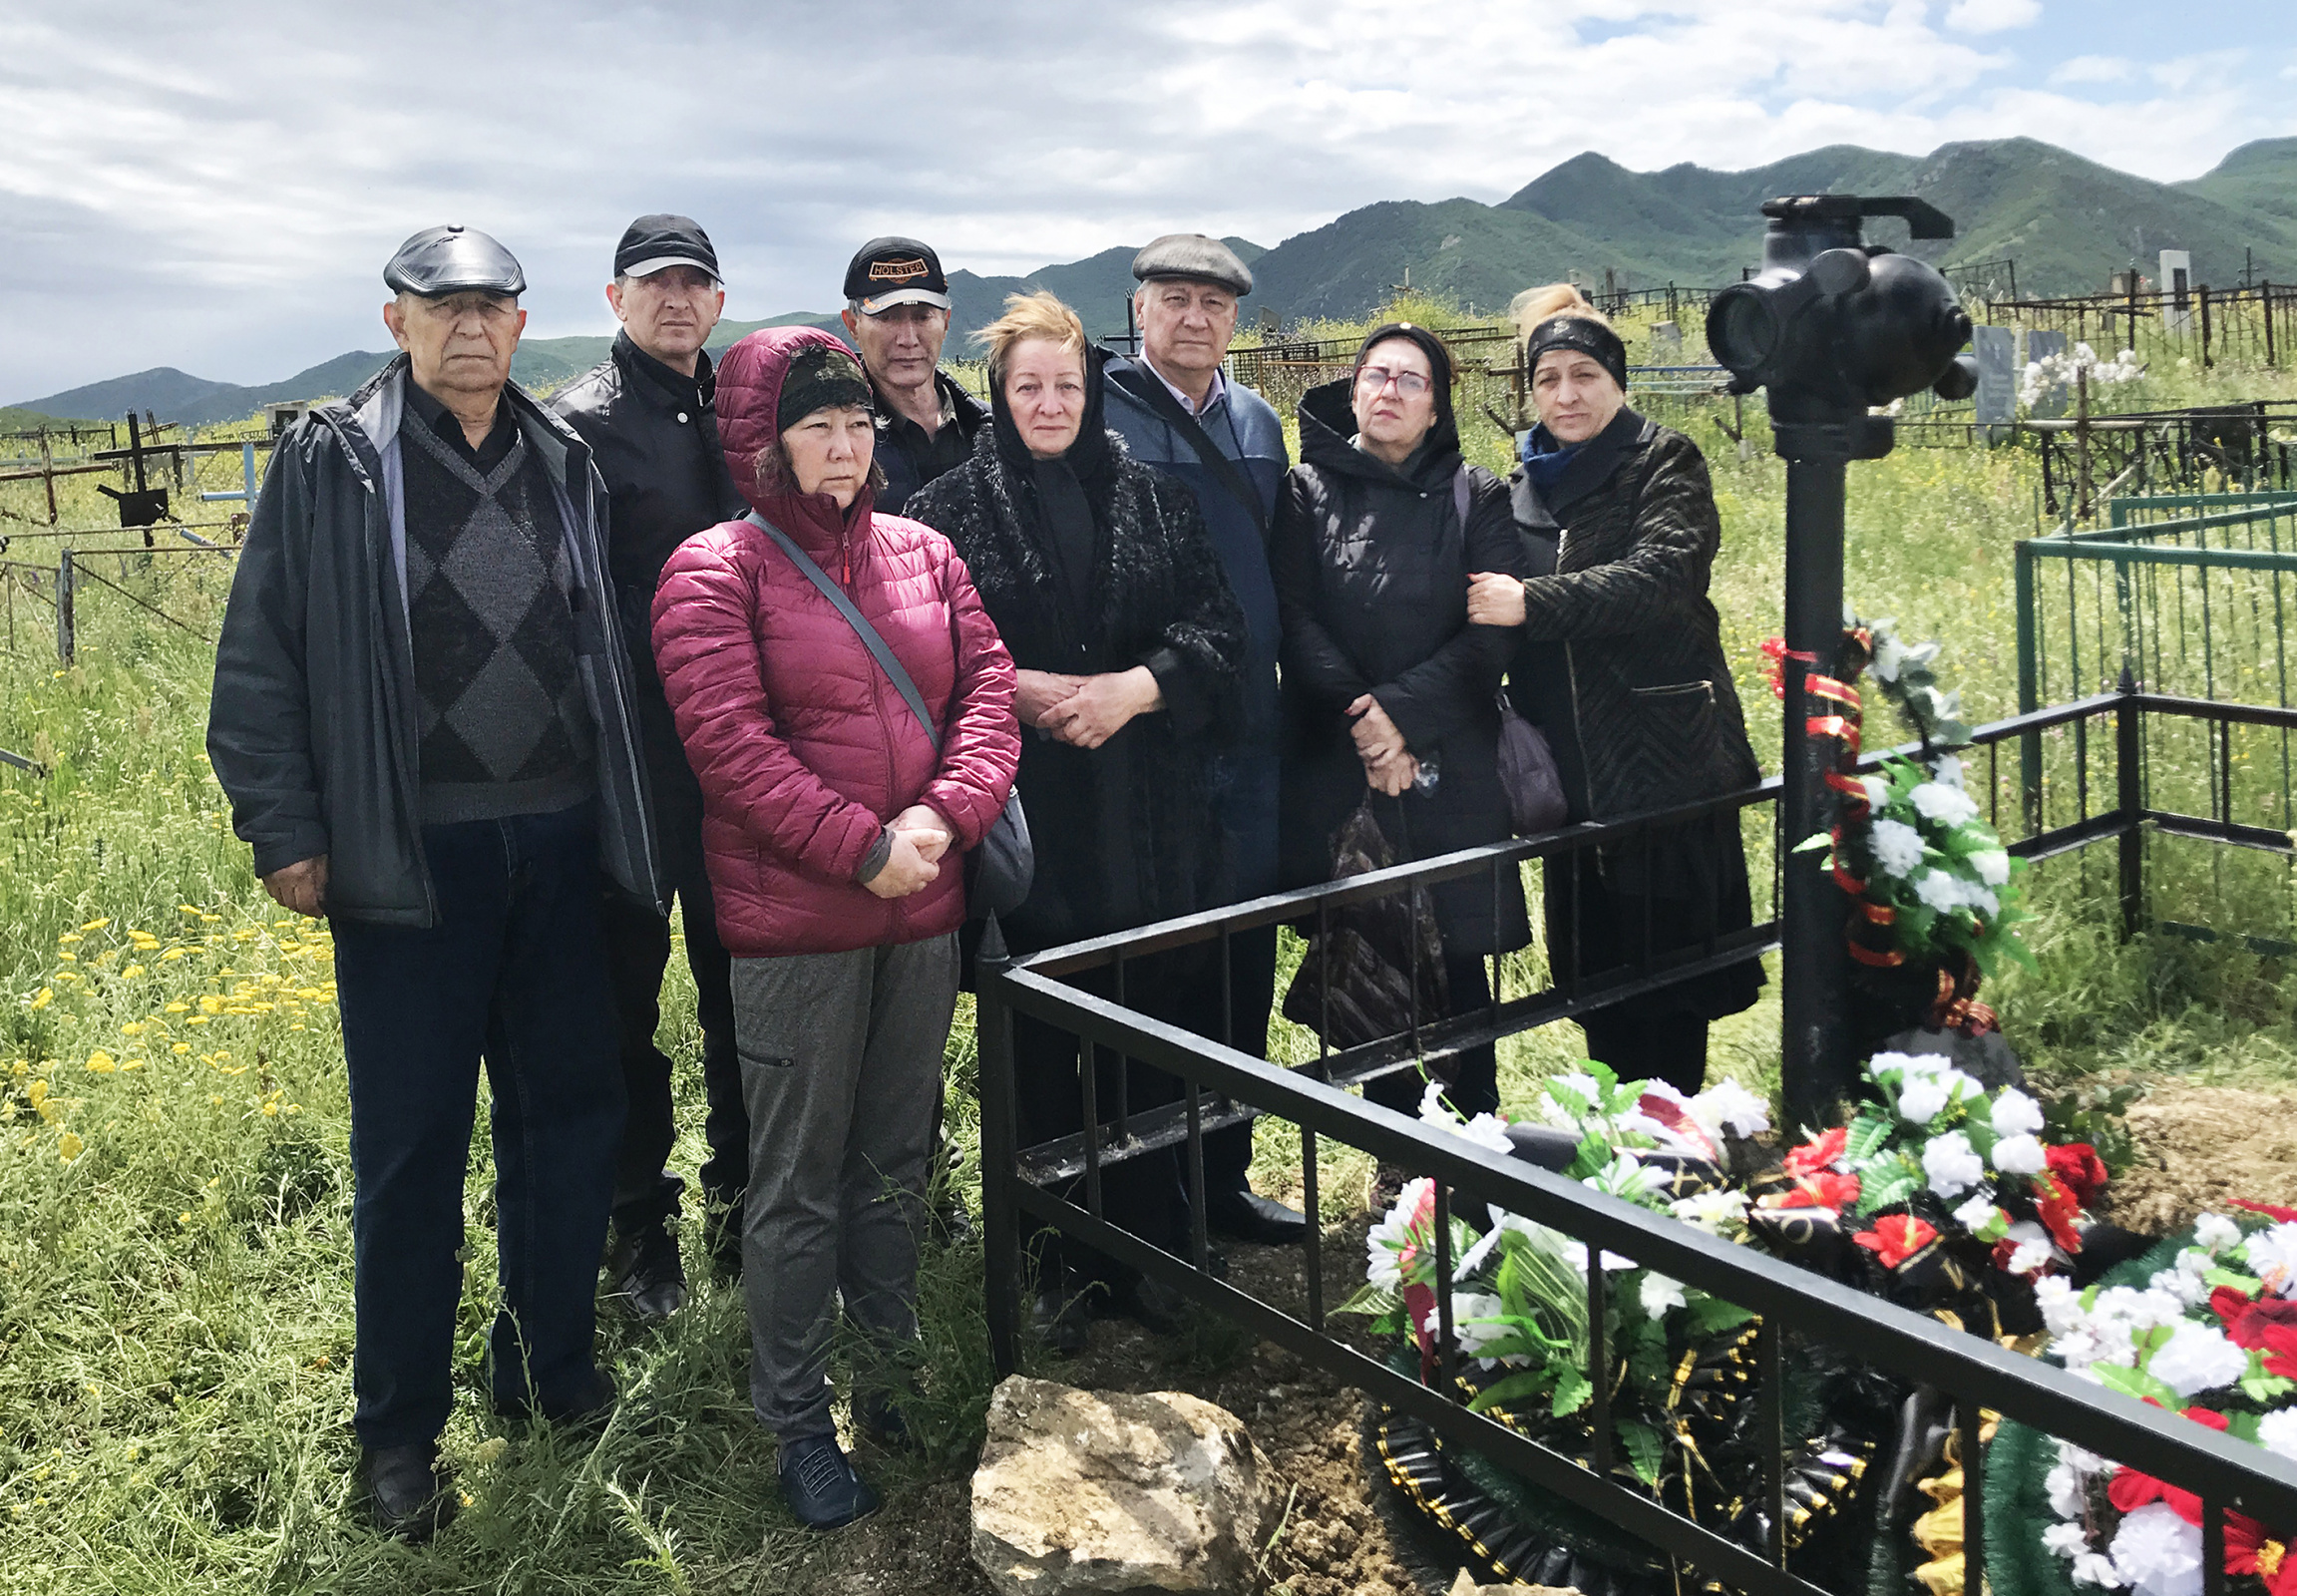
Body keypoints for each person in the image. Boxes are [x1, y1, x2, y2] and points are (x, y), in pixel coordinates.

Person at [207, 225, 657, 1539]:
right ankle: (397, 1437)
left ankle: (546, 1369)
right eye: (439, 307)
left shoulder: (561, 459)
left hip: (561, 843)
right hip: (412, 862)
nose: (468, 329)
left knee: (565, 1118)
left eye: (490, 307)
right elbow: (260, 658)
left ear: (523, 326)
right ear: (395, 322)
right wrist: (285, 828)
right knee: (410, 1152)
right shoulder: (335, 467)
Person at [651, 327, 1018, 1530]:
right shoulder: (713, 571)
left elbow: (986, 699)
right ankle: (799, 1420)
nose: (847, 447)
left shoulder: (927, 552)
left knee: (894, 1161)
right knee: (798, 1183)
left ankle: (891, 1373)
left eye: (858, 423)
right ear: (762, 441)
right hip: (795, 929)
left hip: (921, 908)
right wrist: (861, 846)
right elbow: (730, 749)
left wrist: (942, 819)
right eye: (817, 426)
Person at [908, 292, 1248, 1353]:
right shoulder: (942, 512)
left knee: (1153, 1029)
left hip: (1151, 814)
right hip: (1028, 818)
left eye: (1064, 384)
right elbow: (924, 657)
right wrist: (1020, 689)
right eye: (1026, 386)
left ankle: (1154, 1245)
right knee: (1042, 1041)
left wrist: (1135, 688)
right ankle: (1055, 1261)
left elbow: (1220, 631)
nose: (1047, 402)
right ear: (999, 396)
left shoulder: (1155, 500)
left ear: (1089, 388)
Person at [1467, 287, 1763, 1092]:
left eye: (1584, 375)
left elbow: (1661, 578)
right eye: (1548, 378)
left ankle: (1675, 1152)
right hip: (1568, 773)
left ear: (1617, 383)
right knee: (1596, 974)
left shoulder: (1662, 461)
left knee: (1672, 975)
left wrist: (1534, 602)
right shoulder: (1518, 485)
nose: (1565, 395)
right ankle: (1623, 1148)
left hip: (1660, 759)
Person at [552, 213, 750, 1318]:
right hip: (625, 760)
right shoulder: (581, 426)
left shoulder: (741, 411)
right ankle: (640, 1236)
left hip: (734, 764)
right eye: (653, 284)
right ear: (615, 300)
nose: (676, 301)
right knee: (623, 1004)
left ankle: (742, 1198)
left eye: (694, 285)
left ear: (718, 302)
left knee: (741, 987)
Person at [1100, 232, 1304, 1246]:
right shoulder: (1095, 415)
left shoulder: (1258, 421)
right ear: (1137, 310)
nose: (1192, 318)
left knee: (1242, 958)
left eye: (1212, 304)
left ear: (1235, 320)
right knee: (1161, 963)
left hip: (1251, 731)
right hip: (1152, 732)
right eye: (1172, 298)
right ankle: (1150, 1199)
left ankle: (1222, 1178)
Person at [1272, 322, 1530, 1121]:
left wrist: (1402, 721)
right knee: (1364, 945)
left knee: (1457, 951)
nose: (1389, 391)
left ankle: (1479, 1136)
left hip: (1451, 761)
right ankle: (1396, 1150)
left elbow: (1490, 632)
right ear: (1352, 392)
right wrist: (1365, 721)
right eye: (1376, 376)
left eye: (1410, 381)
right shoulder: (1303, 491)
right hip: (1339, 762)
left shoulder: (1474, 494)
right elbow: (1292, 616)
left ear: (1435, 405)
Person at [839, 235, 989, 516]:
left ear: (945, 323)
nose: (908, 339)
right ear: (853, 325)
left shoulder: (993, 430)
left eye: (922, 317)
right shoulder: (834, 445)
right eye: (887, 317)